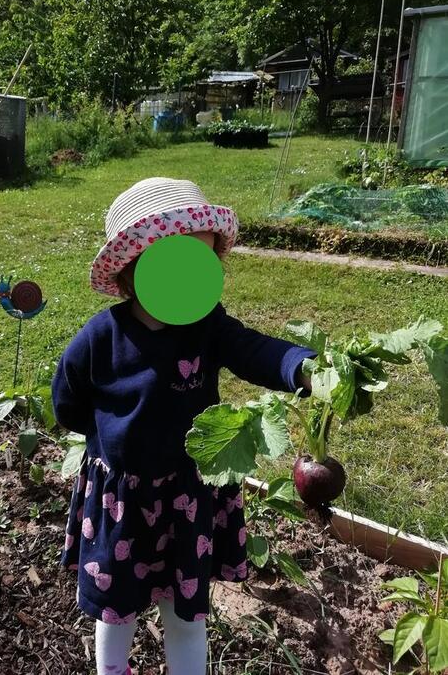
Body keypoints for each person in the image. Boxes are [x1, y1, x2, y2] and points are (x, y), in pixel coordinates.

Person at [52, 177, 314, 675]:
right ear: (133, 271)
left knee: (187, 613)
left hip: (188, 496)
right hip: (123, 501)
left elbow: (254, 349)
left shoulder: (208, 326)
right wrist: (108, 441)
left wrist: (300, 368)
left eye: (203, 264)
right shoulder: (100, 338)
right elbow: (68, 402)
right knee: (117, 610)